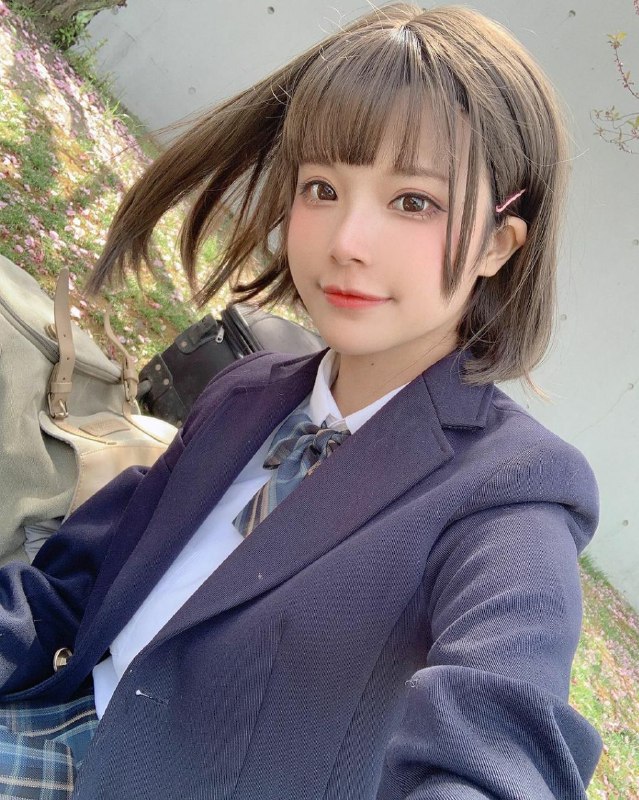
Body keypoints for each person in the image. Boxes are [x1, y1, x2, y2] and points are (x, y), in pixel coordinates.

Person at [0, 4, 602, 799]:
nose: (345, 241)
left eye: (413, 201)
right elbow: (81, 581)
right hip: (51, 718)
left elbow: (499, 740)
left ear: (497, 243)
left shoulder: (509, 494)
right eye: (322, 187)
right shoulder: (246, 395)